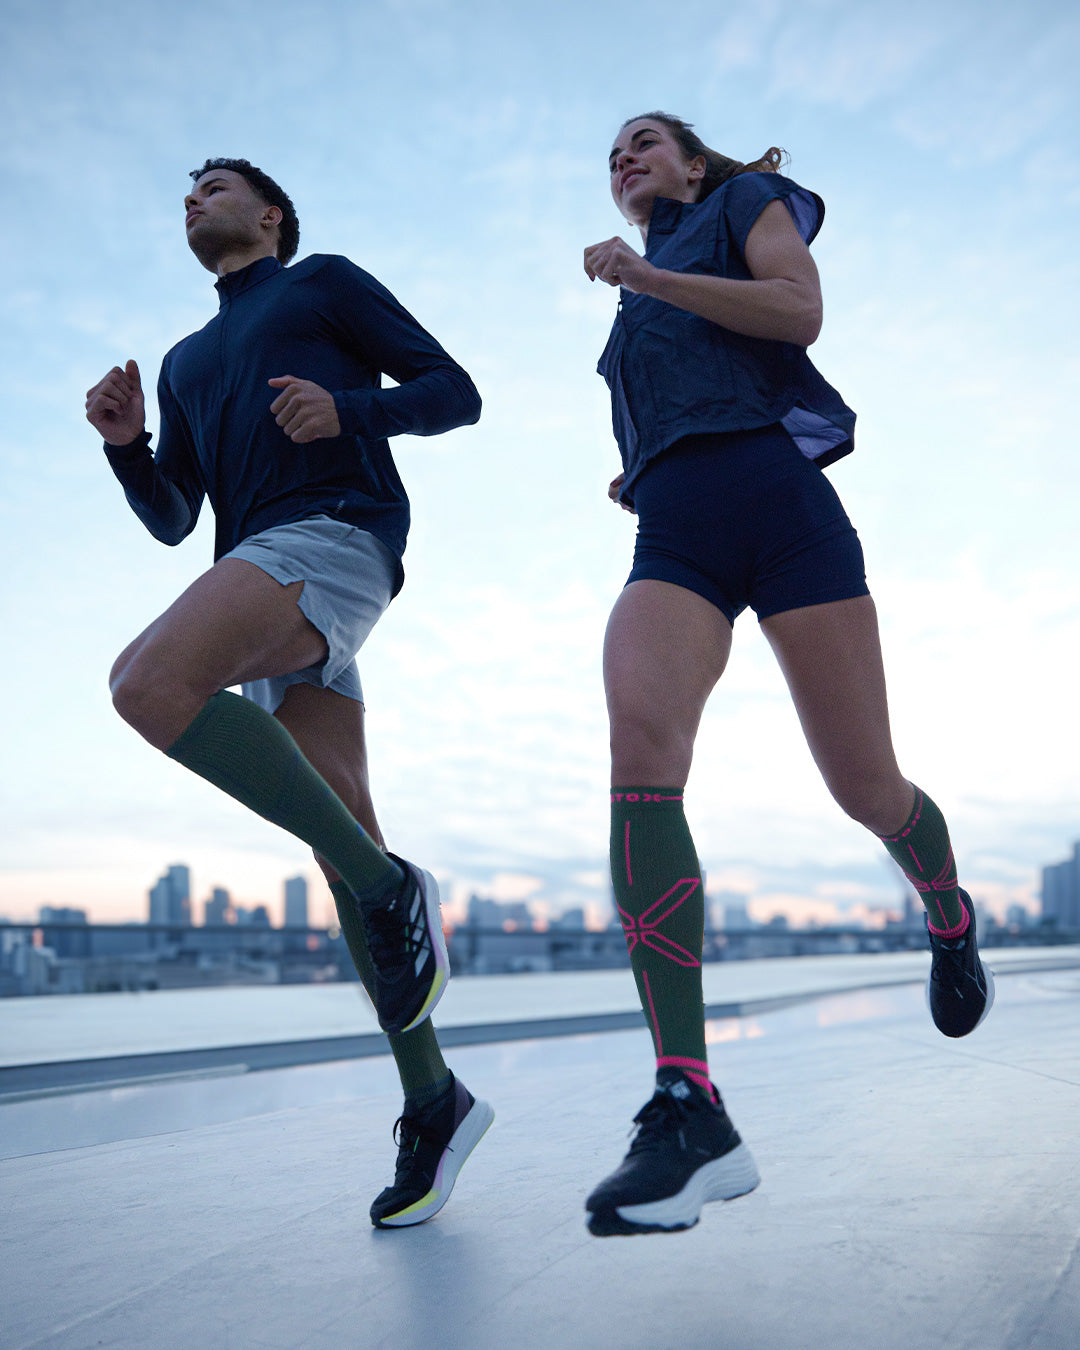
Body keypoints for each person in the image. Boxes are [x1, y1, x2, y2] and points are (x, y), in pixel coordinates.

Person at [581, 113, 994, 1238]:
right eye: (612, 153)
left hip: (786, 515)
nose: (625, 158)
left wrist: (652, 282)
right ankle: (690, 1102)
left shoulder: (739, 209)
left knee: (867, 788)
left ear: (695, 161)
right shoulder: (633, 295)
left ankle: (949, 915)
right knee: (639, 749)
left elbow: (798, 313)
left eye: (646, 140)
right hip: (674, 534)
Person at [85, 158, 493, 1229]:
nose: (193, 200)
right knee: (337, 834)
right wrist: (129, 449)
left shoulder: (322, 285)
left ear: (269, 214)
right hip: (265, 574)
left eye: (215, 188)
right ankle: (433, 1098)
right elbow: (178, 517)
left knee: (146, 682)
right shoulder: (184, 360)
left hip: (340, 534)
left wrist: (350, 410)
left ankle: (392, 883)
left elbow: (458, 395)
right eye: (183, 194)